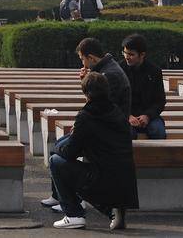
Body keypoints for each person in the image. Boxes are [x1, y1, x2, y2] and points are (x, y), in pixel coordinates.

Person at [46, 71, 137, 231]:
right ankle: (113, 211)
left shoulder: (86, 116)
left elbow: (69, 153)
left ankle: (73, 214)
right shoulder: (117, 112)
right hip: (125, 180)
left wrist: (59, 146)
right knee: (80, 163)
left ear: (86, 93)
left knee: (56, 160)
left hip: (100, 177)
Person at [119, 34, 166, 140]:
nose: (127, 57)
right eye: (125, 53)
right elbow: (114, 99)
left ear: (142, 55)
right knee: (126, 134)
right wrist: (128, 116)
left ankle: (156, 157)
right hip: (125, 115)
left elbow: (160, 101)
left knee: (158, 131)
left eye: (131, 54)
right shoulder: (119, 70)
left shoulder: (154, 71)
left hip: (148, 116)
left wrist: (147, 116)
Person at [74, 38, 131, 115]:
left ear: (91, 58)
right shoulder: (108, 66)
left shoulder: (109, 75)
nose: (82, 64)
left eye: (82, 59)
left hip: (113, 124)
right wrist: (86, 82)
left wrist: (86, 85)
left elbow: (98, 107)